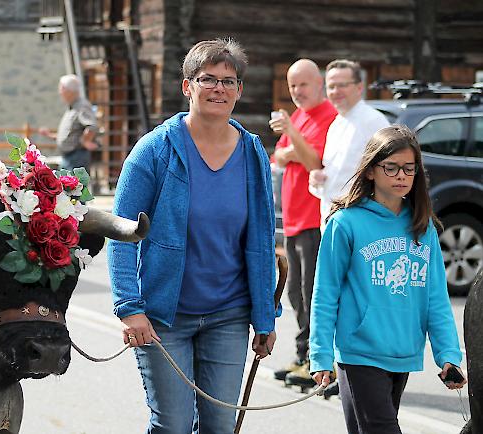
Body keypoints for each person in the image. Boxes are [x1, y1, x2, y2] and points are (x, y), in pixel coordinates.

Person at [107, 38, 277, 433]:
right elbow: (120, 234)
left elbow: (261, 240)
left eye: (229, 81)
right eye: (208, 79)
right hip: (164, 317)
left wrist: (264, 318)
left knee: (220, 424)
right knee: (174, 425)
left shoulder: (253, 154)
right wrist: (130, 308)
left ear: (239, 90)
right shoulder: (153, 151)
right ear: (188, 87)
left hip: (229, 314)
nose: (219, 88)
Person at [309, 125, 466, 434]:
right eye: (391, 168)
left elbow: (436, 298)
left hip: (403, 353)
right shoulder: (345, 223)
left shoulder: (424, 229)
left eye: (409, 169)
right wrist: (320, 355)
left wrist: (448, 355)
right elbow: (325, 294)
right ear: (370, 171)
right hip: (359, 353)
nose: (400, 176)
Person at [270, 59, 337, 386]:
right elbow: (278, 157)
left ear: (319, 83)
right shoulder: (298, 117)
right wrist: (296, 146)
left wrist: (294, 140)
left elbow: (314, 161)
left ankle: (316, 359)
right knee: (294, 291)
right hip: (293, 220)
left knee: (312, 292)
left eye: (303, 84)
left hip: (314, 217)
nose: (296, 91)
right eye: (292, 85)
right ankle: (303, 355)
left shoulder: (327, 116)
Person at [309, 59, 390, 231]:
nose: (335, 91)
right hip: (332, 220)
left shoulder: (374, 121)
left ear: (359, 87)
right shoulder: (336, 124)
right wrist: (318, 178)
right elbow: (337, 173)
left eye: (342, 85)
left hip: (361, 222)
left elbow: (387, 170)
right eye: (331, 86)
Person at [39, 74, 99, 171]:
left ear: (69, 90)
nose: (60, 92)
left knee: (73, 185)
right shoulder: (73, 107)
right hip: (70, 157)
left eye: (61, 88)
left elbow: (92, 126)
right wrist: (49, 135)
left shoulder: (81, 106)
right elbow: (70, 134)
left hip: (77, 157)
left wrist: (84, 141)